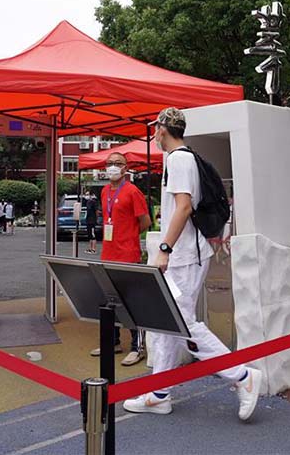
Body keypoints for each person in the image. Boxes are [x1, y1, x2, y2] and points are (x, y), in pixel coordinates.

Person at [123, 107, 262, 420]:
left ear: (162, 128)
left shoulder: (179, 159)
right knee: (168, 323)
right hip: (185, 255)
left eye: (155, 128)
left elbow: (183, 208)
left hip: (184, 256)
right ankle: (159, 393)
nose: (153, 134)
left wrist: (164, 248)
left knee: (182, 324)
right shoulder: (185, 158)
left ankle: (242, 376)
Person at [89, 152, 151, 367]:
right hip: (108, 253)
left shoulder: (133, 191)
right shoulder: (105, 190)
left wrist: (129, 235)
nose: (113, 167)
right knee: (109, 301)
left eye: (118, 163)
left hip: (127, 254)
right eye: (110, 163)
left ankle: (137, 347)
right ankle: (112, 342)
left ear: (126, 168)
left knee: (131, 302)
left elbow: (145, 221)